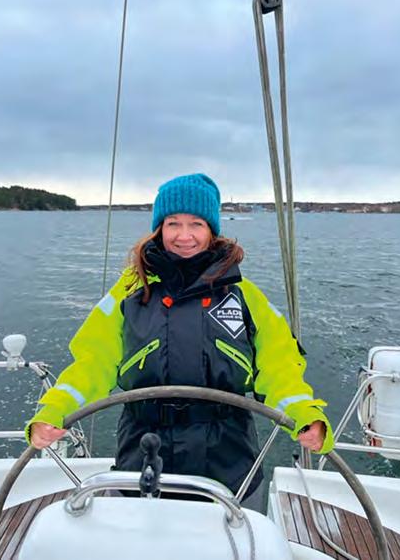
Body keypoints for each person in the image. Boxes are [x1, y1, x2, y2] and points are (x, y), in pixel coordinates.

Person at [27, 173, 333, 503]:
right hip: (142, 452)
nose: (184, 236)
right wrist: (56, 409)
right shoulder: (128, 292)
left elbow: (279, 366)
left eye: (196, 224)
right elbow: (93, 362)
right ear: (159, 228)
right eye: (173, 223)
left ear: (211, 230)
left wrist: (303, 413)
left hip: (229, 459)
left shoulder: (244, 296)